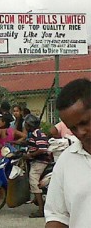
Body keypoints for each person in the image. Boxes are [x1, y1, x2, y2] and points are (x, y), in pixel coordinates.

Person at [45, 78, 91, 228]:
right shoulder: (66, 161)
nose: (81, 132)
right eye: (73, 128)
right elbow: (57, 216)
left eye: (84, 123)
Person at [23, 114, 52, 218]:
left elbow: (42, 149)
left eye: (25, 123)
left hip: (40, 161)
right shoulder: (33, 134)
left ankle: (41, 210)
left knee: (33, 180)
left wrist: (30, 155)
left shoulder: (38, 134)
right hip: (36, 161)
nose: (24, 125)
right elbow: (28, 143)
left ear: (29, 125)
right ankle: (38, 199)